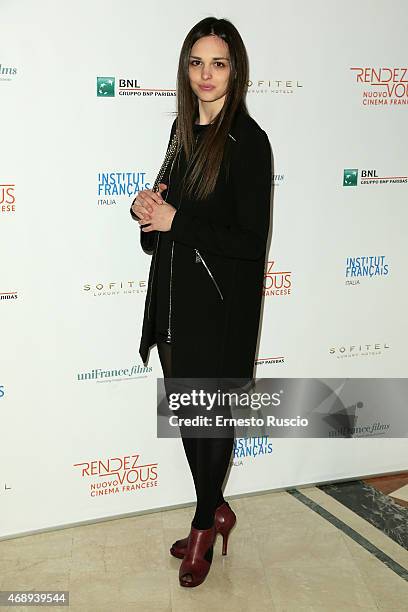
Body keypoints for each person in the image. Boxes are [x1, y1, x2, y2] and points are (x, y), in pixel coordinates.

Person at [130, 16, 272, 588]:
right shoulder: (180, 131)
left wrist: (176, 220)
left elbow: (248, 241)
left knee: (211, 422)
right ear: (185, 69)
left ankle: (202, 525)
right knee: (191, 419)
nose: (206, 74)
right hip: (172, 303)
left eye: (218, 63)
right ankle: (216, 508)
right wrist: (150, 211)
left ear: (234, 70)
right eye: (196, 62)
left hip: (220, 310)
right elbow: (166, 223)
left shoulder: (250, 141)